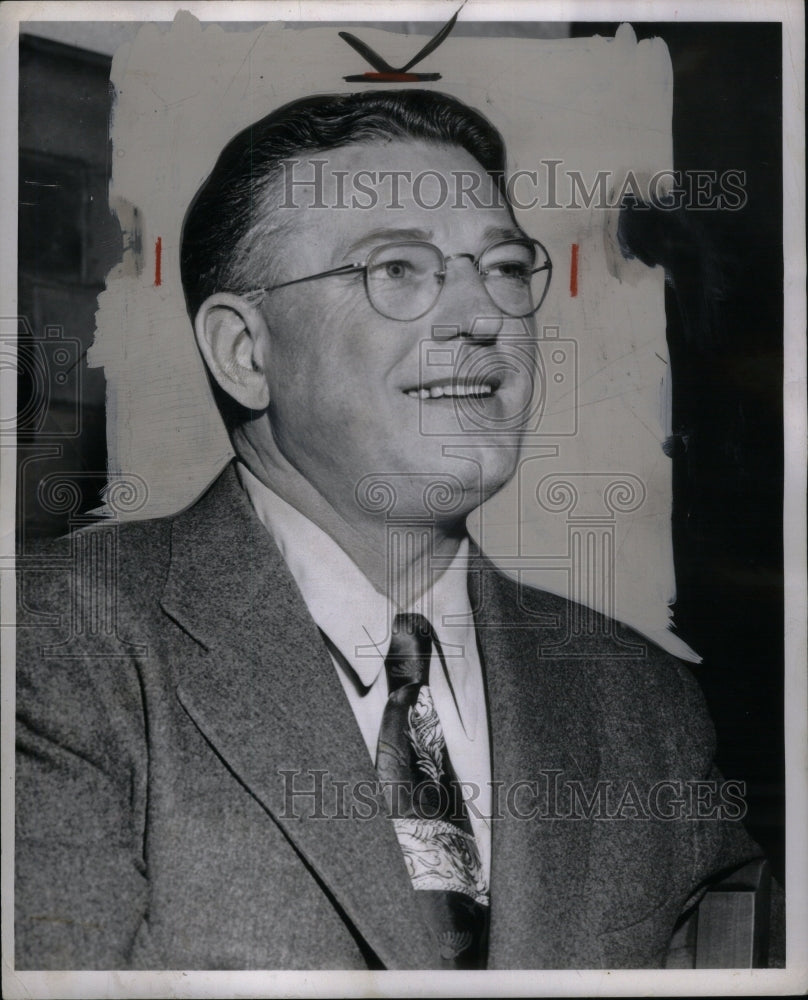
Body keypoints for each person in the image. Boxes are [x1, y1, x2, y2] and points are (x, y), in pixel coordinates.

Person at [15, 89, 773, 971]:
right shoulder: (62, 648)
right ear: (245, 352)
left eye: (500, 266)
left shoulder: (642, 701)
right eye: (399, 270)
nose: (481, 317)